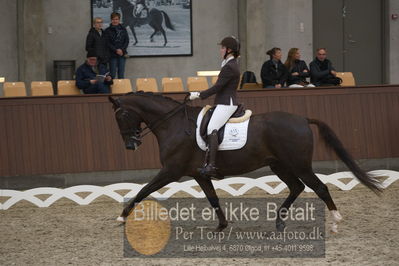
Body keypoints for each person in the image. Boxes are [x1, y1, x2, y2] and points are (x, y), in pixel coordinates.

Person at [188, 36, 241, 179]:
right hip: (223, 101)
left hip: (227, 103)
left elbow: (218, 87)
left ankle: (211, 166)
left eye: (222, 47)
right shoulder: (228, 63)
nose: (220, 50)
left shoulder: (230, 66)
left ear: (229, 50)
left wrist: (199, 94)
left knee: (212, 129)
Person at [104, 12, 129, 79]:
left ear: (119, 20)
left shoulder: (123, 29)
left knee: (121, 74)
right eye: (113, 19)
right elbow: (107, 43)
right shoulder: (107, 30)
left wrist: (122, 50)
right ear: (111, 20)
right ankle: (113, 89)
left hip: (122, 54)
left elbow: (126, 41)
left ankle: (121, 89)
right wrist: (116, 50)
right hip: (112, 55)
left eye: (116, 19)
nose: (115, 21)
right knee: (112, 74)